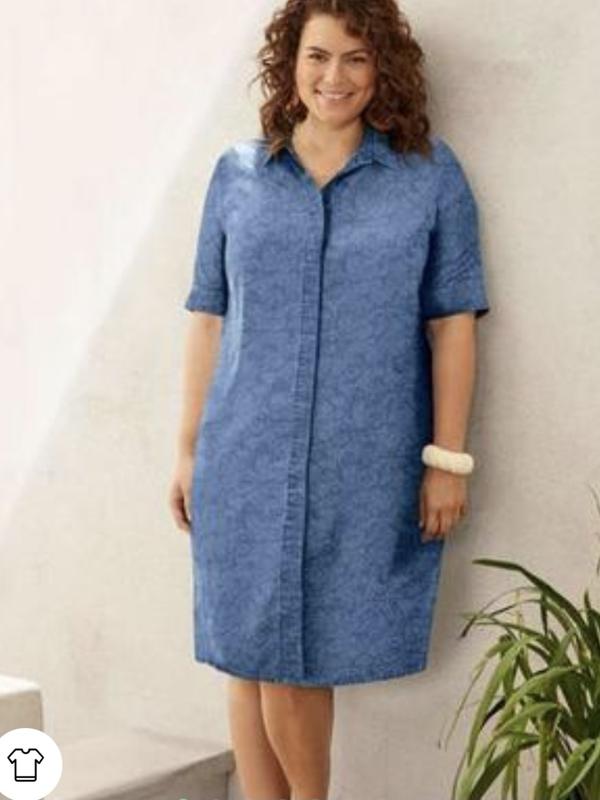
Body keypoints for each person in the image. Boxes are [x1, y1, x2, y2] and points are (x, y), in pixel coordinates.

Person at [169, 0, 491, 797]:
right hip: (243, 457)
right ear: (290, 64)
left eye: (355, 57)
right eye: (317, 56)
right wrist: (187, 451)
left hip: (360, 465)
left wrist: (447, 460)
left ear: (383, 68)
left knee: (293, 660)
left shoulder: (428, 177)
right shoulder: (238, 174)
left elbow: (452, 323)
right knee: (248, 658)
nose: (333, 76)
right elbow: (208, 317)